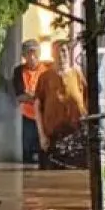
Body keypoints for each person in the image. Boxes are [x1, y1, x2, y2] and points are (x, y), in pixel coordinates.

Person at [34, 39, 88, 169]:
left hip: (76, 134)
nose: (61, 55)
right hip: (53, 136)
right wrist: (42, 135)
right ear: (52, 55)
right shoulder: (45, 77)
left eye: (63, 51)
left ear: (69, 53)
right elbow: (37, 106)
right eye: (57, 52)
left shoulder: (77, 74)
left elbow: (87, 101)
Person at [12, 40, 48, 168]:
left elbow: (48, 95)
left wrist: (32, 96)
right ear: (24, 55)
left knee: (44, 149)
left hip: (44, 116)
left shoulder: (46, 70)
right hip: (27, 115)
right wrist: (37, 98)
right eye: (28, 54)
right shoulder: (18, 71)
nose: (31, 57)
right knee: (27, 150)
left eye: (34, 53)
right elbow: (20, 96)